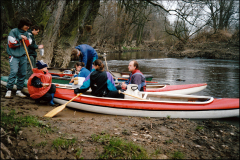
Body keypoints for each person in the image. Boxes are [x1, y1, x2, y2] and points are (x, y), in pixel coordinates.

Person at [5, 17, 32, 98]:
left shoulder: (27, 33)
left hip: (23, 56)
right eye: (26, 25)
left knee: (23, 73)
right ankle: (9, 90)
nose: (27, 27)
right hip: (14, 56)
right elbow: (11, 42)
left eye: (28, 26)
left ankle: (19, 90)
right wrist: (20, 37)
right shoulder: (13, 31)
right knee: (14, 72)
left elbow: (29, 42)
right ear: (21, 25)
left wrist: (25, 38)